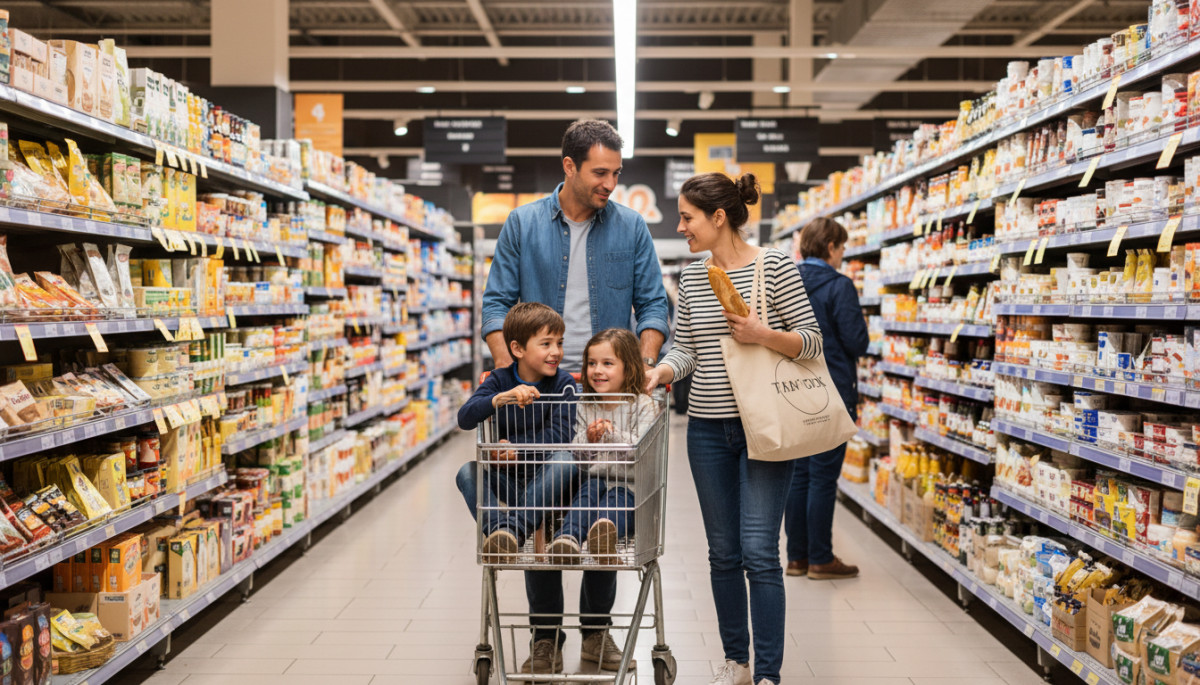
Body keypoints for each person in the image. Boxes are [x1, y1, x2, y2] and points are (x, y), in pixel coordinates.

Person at [472, 119, 671, 674]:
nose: (611, 182)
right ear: (570, 167)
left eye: (616, 172)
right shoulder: (523, 224)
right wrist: (511, 375)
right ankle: (543, 639)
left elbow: (654, 306)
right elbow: (496, 306)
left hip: (608, 391)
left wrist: (643, 368)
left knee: (602, 509)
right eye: (600, 172)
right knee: (547, 509)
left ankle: (595, 635)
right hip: (543, 394)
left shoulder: (631, 228)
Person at [646, 172, 824, 685]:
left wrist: (760, 333)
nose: (680, 226)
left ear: (718, 217)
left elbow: (811, 343)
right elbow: (687, 349)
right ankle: (737, 662)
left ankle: (769, 673)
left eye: (687, 217)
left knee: (759, 552)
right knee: (722, 552)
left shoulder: (775, 266)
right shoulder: (694, 274)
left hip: (765, 424)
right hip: (706, 430)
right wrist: (662, 370)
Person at [456, 303, 579, 562]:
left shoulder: (563, 383)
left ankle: (512, 530)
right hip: (511, 483)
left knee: (566, 461)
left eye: (559, 343)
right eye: (546, 344)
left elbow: (561, 437)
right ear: (518, 349)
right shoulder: (500, 380)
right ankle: (499, 532)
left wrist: (516, 448)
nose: (556, 352)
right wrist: (498, 399)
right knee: (467, 472)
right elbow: (465, 418)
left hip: (551, 484)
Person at [784, 218, 871, 580]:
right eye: (842, 248)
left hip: (792, 392)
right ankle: (820, 558)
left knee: (798, 475)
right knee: (822, 478)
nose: (842, 255)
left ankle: (797, 558)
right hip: (832, 391)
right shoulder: (839, 286)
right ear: (831, 246)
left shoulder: (785, 282)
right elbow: (857, 342)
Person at [547, 329, 661, 564]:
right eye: (591, 363)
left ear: (628, 368)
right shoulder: (585, 405)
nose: (597, 370)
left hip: (630, 489)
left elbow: (642, 451)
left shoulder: (642, 405)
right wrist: (588, 439)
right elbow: (579, 458)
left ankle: (604, 536)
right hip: (594, 480)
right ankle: (567, 538)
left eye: (607, 363)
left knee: (616, 498)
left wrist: (612, 435)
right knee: (588, 492)